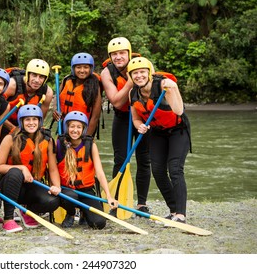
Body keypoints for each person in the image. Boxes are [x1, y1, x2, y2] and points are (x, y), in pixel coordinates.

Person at [127, 57, 191, 223]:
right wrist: (140, 126)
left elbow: (178, 110)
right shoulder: (133, 93)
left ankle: (181, 215)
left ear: (149, 73)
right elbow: (136, 119)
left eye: (142, 72)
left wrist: (173, 88)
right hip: (157, 132)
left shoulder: (162, 85)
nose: (139, 76)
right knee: (158, 170)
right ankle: (173, 210)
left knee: (175, 168)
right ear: (131, 76)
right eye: (135, 73)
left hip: (178, 130)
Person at [100, 37, 152, 214]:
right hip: (122, 117)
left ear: (129, 53)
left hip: (141, 116)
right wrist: (131, 80)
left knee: (144, 159)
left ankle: (141, 203)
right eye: (114, 54)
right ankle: (117, 200)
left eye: (122, 53)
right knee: (120, 159)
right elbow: (115, 101)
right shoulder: (107, 73)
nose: (118, 57)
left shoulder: (141, 66)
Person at [0, 104, 61, 233]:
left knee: (53, 201)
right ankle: (8, 218)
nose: (31, 123)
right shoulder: (10, 138)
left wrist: (56, 186)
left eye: (34, 119)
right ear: (21, 121)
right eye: (27, 120)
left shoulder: (47, 140)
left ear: (40, 121)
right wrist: (22, 168)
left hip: (32, 185)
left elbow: (52, 169)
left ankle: (26, 210)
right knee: (15, 172)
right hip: (9, 184)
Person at [56, 111, 118, 229]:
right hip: (67, 191)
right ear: (67, 127)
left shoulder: (90, 145)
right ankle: (71, 213)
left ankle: (84, 213)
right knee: (71, 197)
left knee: (98, 223)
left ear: (83, 129)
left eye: (79, 127)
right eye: (72, 126)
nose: (75, 130)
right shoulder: (59, 144)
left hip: (86, 190)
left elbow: (99, 172)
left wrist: (109, 196)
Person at [52, 52, 102, 137]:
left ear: (91, 68)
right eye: (78, 67)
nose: (82, 71)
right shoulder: (66, 80)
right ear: (73, 68)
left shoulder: (94, 86)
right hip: (65, 126)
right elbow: (57, 99)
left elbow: (95, 117)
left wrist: (87, 138)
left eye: (86, 67)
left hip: (83, 128)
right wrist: (55, 110)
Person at [2, 59, 53, 135]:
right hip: (5, 122)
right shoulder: (12, 85)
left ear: (45, 79)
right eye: (34, 75)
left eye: (41, 77)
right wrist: (14, 129)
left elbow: (40, 120)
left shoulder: (47, 93)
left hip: (28, 125)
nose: (37, 80)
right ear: (28, 74)